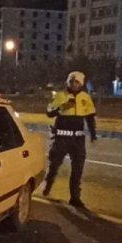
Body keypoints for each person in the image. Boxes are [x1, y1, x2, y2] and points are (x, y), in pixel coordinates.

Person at [43, 71, 98, 208]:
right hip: (61, 138)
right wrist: (62, 108)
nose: (74, 84)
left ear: (81, 84)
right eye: (72, 81)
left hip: (78, 140)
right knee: (54, 165)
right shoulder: (61, 96)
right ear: (68, 82)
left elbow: (90, 117)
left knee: (77, 170)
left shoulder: (86, 97)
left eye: (77, 82)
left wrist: (93, 134)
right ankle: (48, 185)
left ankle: (75, 198)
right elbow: (49, 112)